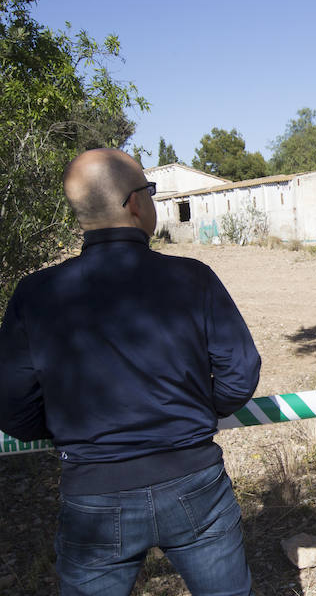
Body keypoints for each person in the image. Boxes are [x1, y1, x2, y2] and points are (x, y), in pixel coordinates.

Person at [0, 149, 261, 595]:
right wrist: (195, 411)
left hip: (93, 496)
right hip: (194, 481)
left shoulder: (35, 295)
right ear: (135, 203)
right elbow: (240, 371)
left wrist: (70, 429)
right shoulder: (192, 278)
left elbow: (11, 405)